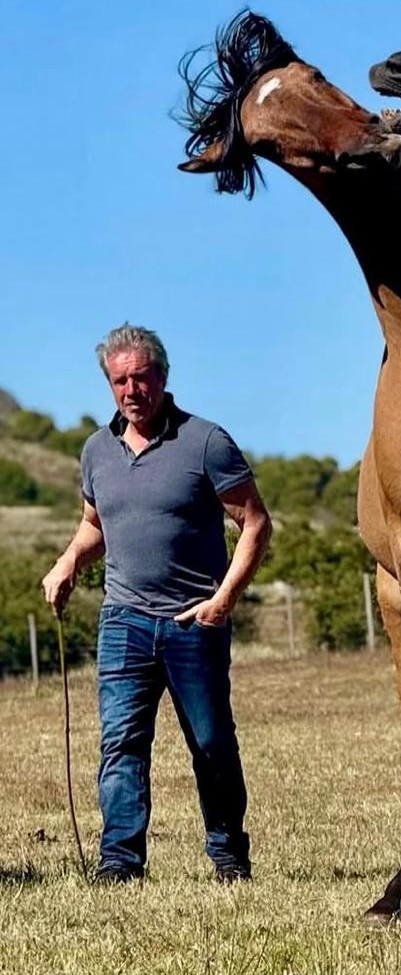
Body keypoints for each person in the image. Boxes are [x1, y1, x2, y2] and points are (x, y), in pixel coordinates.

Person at [42, 324, 272, 884]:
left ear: (163, 378)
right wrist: (69, 560)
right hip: (123, 620)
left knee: (211, 741)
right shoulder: (97, 450)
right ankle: (120, 863)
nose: (130, 391)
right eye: (119, 381)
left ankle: (228, 857)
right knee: (121, 741)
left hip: (194, 620)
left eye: (140, 378)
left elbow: (256, 524)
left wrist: (224, 600)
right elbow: (96, 523)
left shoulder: (206, 442)